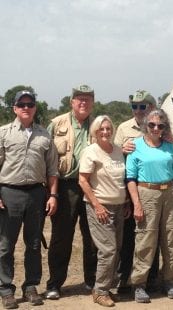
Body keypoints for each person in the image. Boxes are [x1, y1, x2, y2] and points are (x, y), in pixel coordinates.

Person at [0, 90, 59, 308]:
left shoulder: (44, 135)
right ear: (14, 108)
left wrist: (53, 195)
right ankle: (6, 289)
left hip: (36, 193)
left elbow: (52, 169)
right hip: (9, 193)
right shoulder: (3, 133)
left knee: (34, 244)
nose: (26, 107)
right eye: (21, 104)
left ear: (35, 107)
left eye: (30, 104)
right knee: (6, 245)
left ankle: (31, 287)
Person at [126, 109, 173, 303]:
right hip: (146, 192)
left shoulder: (169, 146)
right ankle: (139, 284)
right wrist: (136, 204)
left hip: (169, 192)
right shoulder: (136, 145)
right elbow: (130, 178)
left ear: (165, 127)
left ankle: (170, 281)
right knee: (146, 238)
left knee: (170, 238)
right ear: (145, 125)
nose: (156, 128)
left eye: (160, 125)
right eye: (152, 125)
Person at [45, 85, 98, 300]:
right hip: (65, 187)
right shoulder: (56, 124)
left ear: (93, 103)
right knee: (61, 238)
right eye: (79, 99)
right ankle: (55, 284)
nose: (83, 102)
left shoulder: (98, 125)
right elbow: (46, 158)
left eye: (87, 99)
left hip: (93, 187)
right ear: (71, 102)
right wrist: (50, 192)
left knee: (94, 237)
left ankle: (92, 281)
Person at [79, 115, 129, 307]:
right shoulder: (91, 152)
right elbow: (83, 180)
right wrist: (97, 206)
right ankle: (99, 291)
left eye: (108, 128)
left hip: (118, 206)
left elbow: (119, 180)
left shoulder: (117, 150)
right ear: (95, 131)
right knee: (107, 250)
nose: (106, 132)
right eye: (102, 129)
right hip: (99, 207)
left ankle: (106, 288)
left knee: (116, 249)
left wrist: (125, 202)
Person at [113, 90, 160, 293]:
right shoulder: (124, 128)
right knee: (129, 235)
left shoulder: (160, 126)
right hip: (129, 187)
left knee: (152, 234)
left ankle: (150, 277)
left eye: (143, 106)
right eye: (135, 106)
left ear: (152, 107)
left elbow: (172, 152)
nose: (139, 110)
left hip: (153, 187)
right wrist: (121, 150)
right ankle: (125, 277)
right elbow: (113, 157)